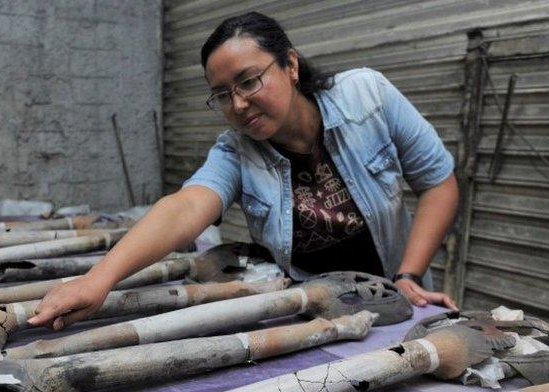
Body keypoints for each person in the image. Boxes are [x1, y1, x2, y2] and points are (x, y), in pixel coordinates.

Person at [29, 11, 459, 331]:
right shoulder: (236, 152)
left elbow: (438, 182)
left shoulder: (367, 96)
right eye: (221, 94)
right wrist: (98, 280)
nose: (238, 104)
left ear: (290, 66)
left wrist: (408, 275)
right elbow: (185, 208)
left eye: (249, 81)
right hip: (317, 311)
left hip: (398, 296)